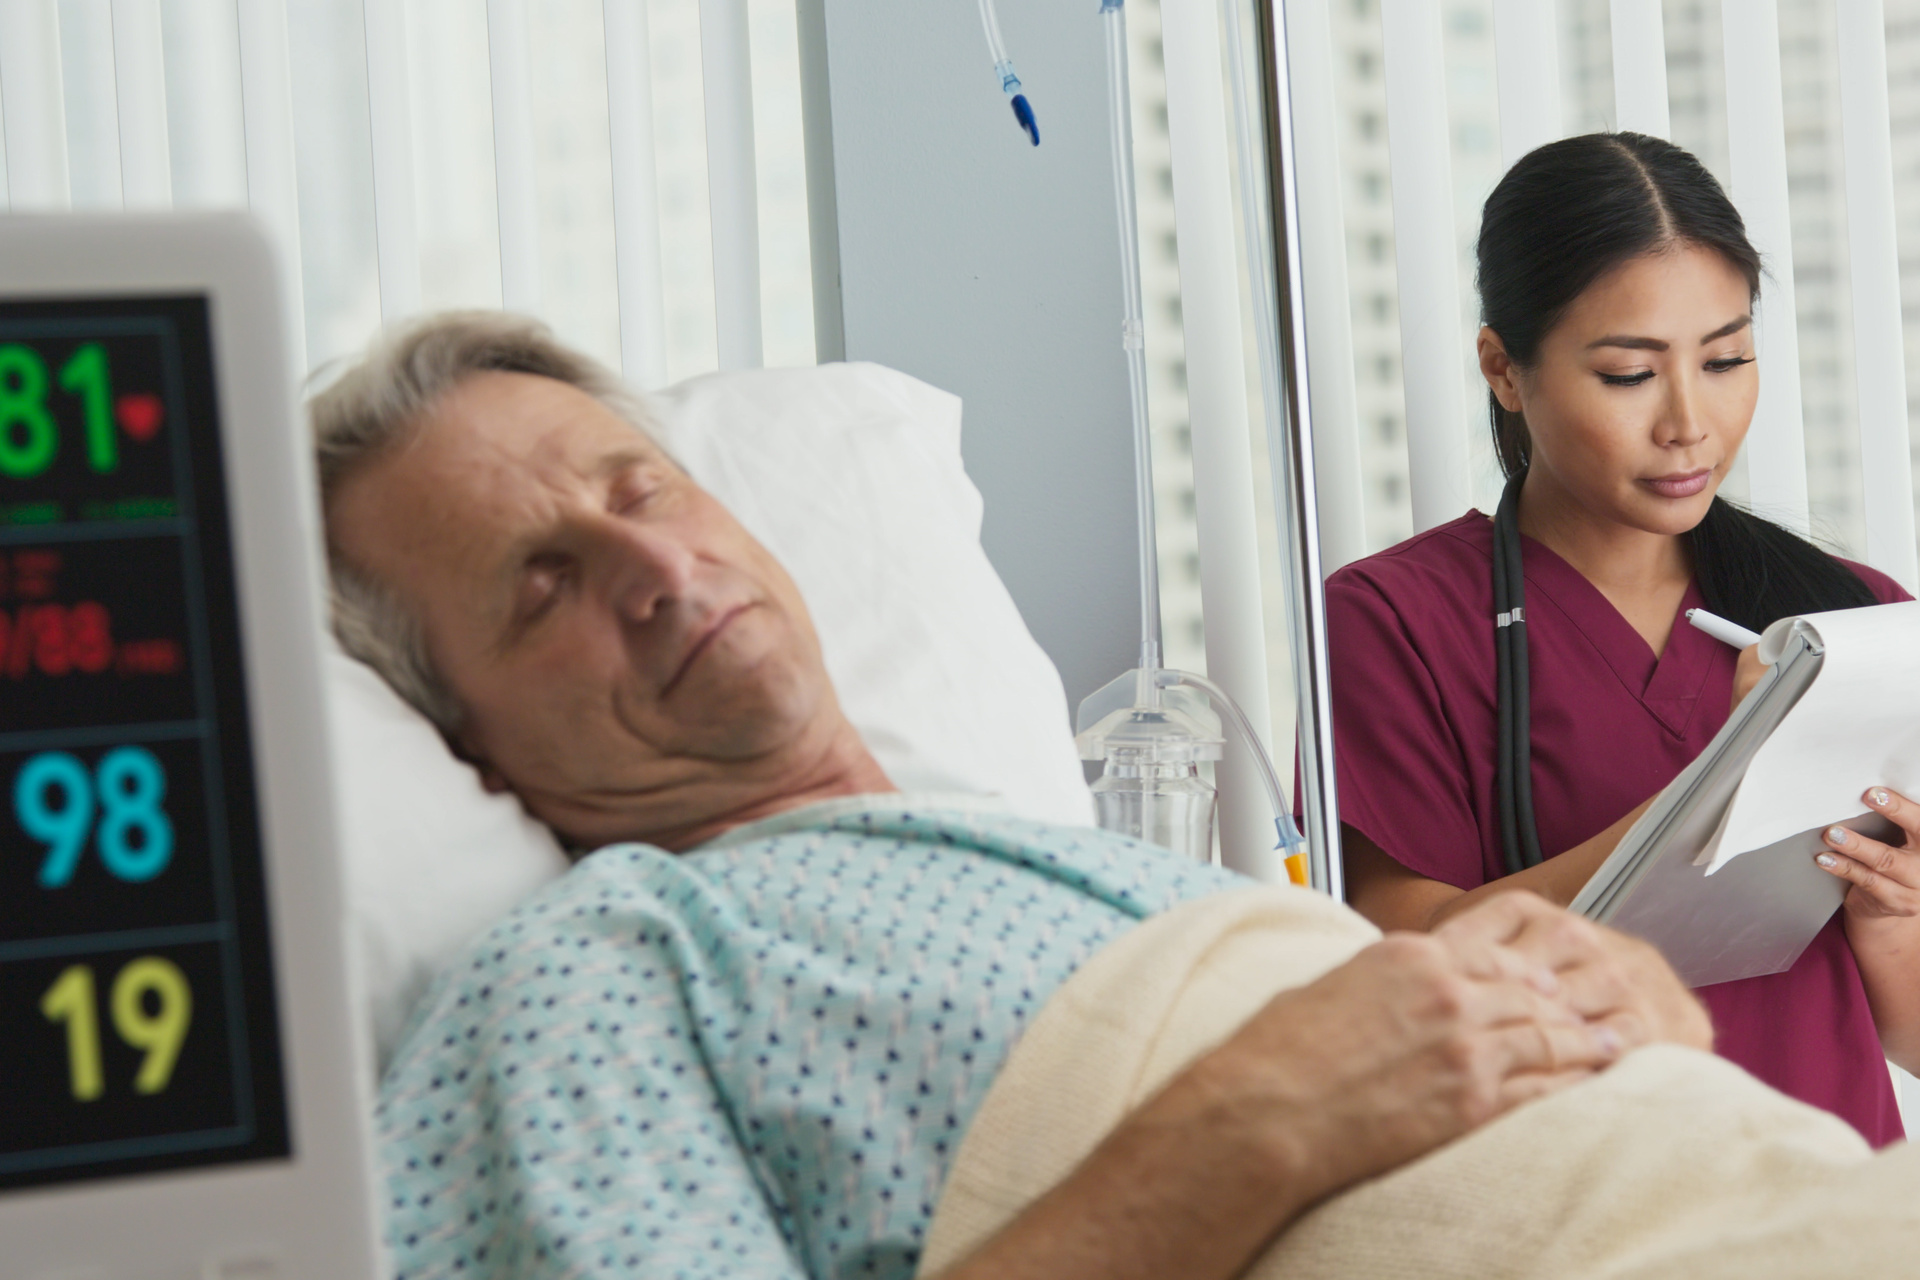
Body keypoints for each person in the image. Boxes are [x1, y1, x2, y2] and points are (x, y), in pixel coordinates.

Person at [313, 313, 1715, 1280]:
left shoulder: (1072, 865)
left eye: (646, 492)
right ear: (466, 738)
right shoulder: (595, 976)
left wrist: (1632, 1032)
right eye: (540, 584)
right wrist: (1260, 1123)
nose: (657, 572)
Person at [1329, 131, 1918, 1145]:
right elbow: (1402, 961)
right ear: (1504, 370)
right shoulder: (1394, 623)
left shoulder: (1850, 617)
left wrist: (1895, 913)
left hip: (1831, 1213)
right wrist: (1711, 796)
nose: (1692, 422)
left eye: (1727, 357)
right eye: (1627, 374)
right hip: (1571, 1219)